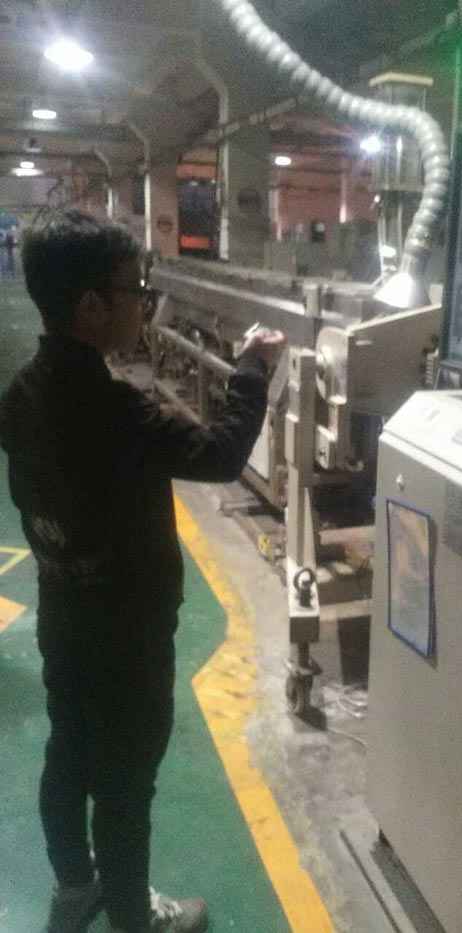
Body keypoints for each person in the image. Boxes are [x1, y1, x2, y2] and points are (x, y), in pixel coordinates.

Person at [0, 210, 286, 933]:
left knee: (69, 751)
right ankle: (133, 917)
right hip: (126, 631)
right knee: (126, 783)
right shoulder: (115, 409)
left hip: (65, 607)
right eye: (134, 289)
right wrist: (253, 368)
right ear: (91, 306)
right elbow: (221, 455)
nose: (143, 302)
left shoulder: (22, 392)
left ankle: (76, 888)